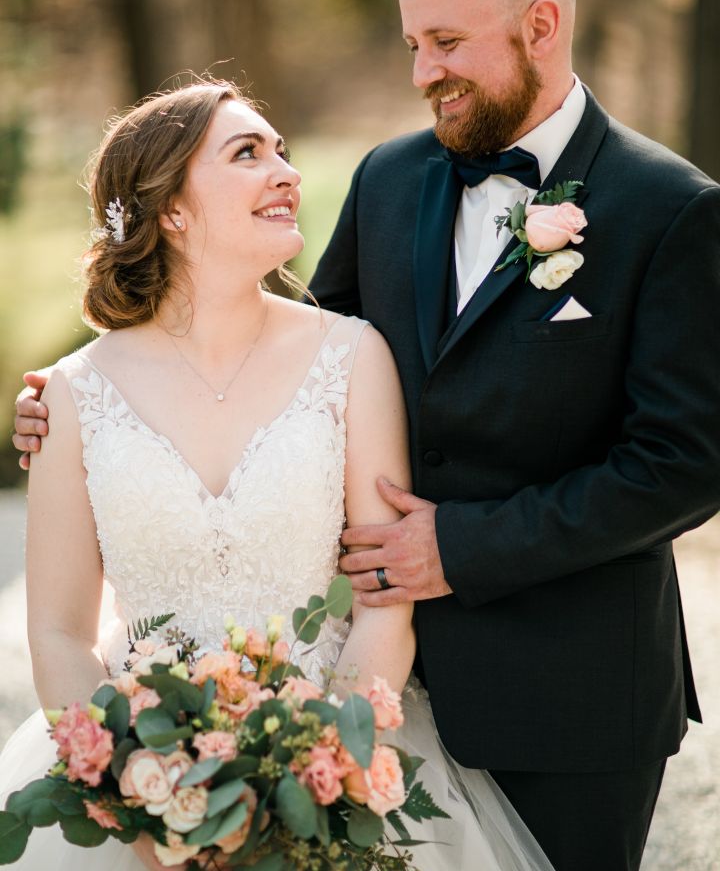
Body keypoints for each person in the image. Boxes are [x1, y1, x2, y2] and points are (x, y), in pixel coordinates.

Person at [3, 80, 555, 871]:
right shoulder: (70, 393)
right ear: (171, 209)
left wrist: (318, 775)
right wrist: (138, 793)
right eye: (247, 153)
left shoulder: (353, 356)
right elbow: (58, 630)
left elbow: (383, 600)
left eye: (283, 152)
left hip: (335, 754)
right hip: (141, 778)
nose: (286, 173)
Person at [303, 0, 720, 871]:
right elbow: (305, 363)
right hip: (378, 684)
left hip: (572, 700)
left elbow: (684, 464)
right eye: (413, 46)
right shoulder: (386, 178)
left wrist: (461, 546)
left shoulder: (673, 209)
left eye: (447, 42)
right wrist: (95, 399)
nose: (424, 73)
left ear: (541, 25)